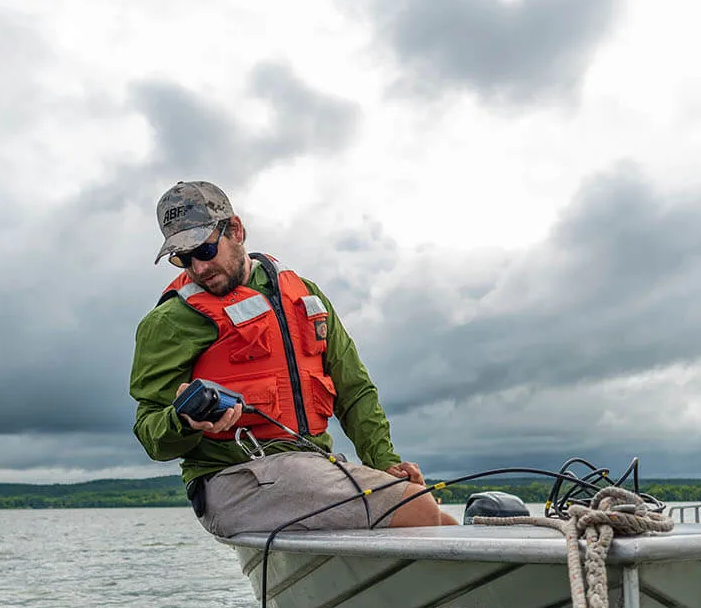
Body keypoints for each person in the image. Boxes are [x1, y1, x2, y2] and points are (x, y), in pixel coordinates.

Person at [129, 180, 462, 537]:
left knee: (427, 507)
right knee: (414, 507)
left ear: (236, 230)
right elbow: (150, 433)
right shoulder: (167, 323)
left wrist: (384, 464)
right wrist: (183, 421)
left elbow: (354, 390)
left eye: (205, 250)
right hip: (233, 481)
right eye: (182, 258)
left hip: (311, 469)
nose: (198, 268)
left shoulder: (305, 295)